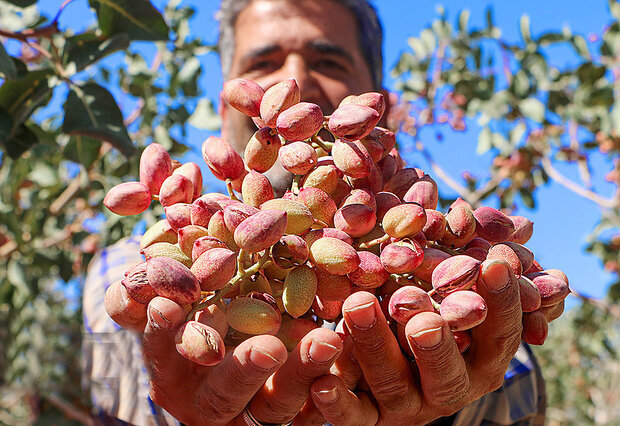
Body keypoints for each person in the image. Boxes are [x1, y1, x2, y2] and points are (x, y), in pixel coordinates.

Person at [88, 0, 548, 424]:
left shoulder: (440, 245)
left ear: (377, 105)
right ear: (226, 100)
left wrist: (450, 406)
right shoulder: (142, 258)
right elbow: (121, 392)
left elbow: (511, 372)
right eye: (262, 64)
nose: (294, 82)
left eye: (328, 61)